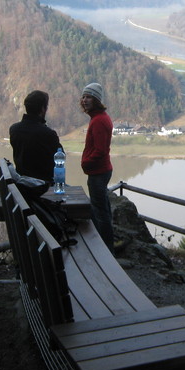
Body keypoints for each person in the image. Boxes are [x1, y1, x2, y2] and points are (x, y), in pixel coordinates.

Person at [80, 82, 115, 251]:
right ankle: (108, 246)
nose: (85, 100)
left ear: (96, 100)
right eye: (84, 96)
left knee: (100, 213)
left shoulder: (99, 121)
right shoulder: (99, 118)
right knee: (103, 210)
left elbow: (100, 150)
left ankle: (105, 250)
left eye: (89, 97)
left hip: (98, 172)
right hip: (101, 170)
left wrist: (86, 162)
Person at [9, 90, 63, 182]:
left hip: (22, 181)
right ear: (42, 109)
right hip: (43, 185)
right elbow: (60, 157)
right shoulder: (48, 134)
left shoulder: (14, 129)